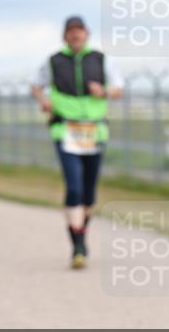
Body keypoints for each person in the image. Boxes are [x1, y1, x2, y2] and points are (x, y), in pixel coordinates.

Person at [31, 16, 124, 269]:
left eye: (79, 31)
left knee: (89, 191)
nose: (75, 36)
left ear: (87, 34)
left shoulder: (101, 60)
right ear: (64, 36)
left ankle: (82, 234)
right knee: (73, 186)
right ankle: (78, 245)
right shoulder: (53, 61)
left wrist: (103, 92)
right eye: (71, 32)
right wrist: (44, 101)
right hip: (66, 130)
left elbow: (119, 88)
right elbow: (36, 86)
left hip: (94, 131)